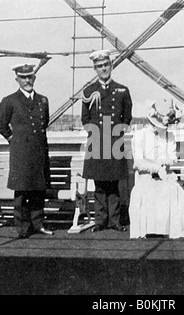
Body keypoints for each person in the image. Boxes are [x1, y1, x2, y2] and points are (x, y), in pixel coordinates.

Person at [129, 99, 184, 239]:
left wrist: (163, 164)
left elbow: (172, 157)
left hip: (165, 174)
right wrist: (156, 167)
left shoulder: (169, 135)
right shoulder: (140, 135)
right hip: (145, 176)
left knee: (171, 190)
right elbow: (138, 162)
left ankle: (165, 229)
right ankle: (150, 229)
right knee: (146, 190)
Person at [0, 63, 53, 238]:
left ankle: (38, 224)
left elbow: (44, 123)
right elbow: (2, 126)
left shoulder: (43, 100)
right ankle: (23, 227)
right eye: (23, 77)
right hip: (21, 153)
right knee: (21, 192)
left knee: (38, 189)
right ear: (17, 79)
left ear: (34, 78)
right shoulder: (9, 101)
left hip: (39, 152)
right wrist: (14, 140)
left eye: (30, 77)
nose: (27, 80)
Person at [81, 49, 132, 232]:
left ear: (111, 66)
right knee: (100, 184)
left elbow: (127, 117)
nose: (103, 69)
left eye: (106, 65)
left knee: (114, 184)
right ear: (95, 69)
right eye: (99, 66)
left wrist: (116, 134)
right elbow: (85, 119)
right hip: (97, 141)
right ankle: (100, 221)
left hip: (115, 141)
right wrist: (97, 136)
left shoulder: (122, 90)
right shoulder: (89, 91)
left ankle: (115, 221)